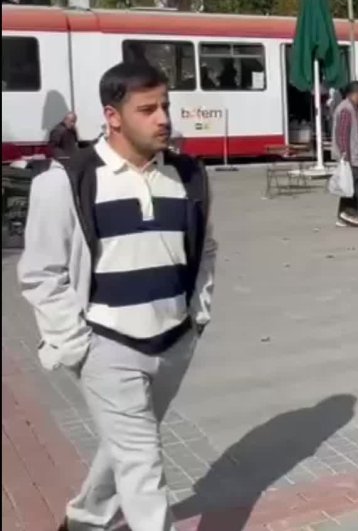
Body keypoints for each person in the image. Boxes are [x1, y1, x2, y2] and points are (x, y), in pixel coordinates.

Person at [18, 61, 217, 531]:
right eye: (147, 110)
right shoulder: (66, 181)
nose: (163, 118)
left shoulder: (189, 176)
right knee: (142, 461)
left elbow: (206, 249)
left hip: (174, 338)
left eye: (165, 106)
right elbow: (41, 272)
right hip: (106, 344)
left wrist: (198, 315)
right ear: (113, 116)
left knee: (128, 441)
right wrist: (77, 343)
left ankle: (87, 518)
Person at [332, 81, 358, 227]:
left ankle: (343, 215)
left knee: (349, 185)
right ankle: (350, 211)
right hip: (350, 156)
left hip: (352, 154)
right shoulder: (346, 109)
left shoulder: (351, 108)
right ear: (357, 93)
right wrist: (345, 155)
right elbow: (342, 133)